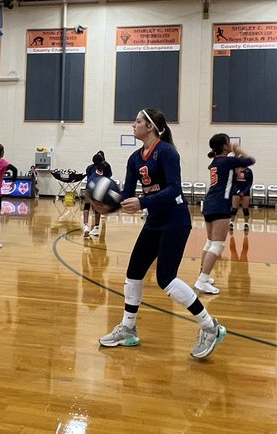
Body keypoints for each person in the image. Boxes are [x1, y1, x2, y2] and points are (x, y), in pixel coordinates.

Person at [96, 108, 227, 360]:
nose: (133, 125)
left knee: (166, 279)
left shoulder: (167, 153)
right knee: (133, 273)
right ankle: (128, 329)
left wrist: (143, 204)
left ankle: (211, 327)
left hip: (175, 221)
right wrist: (107, 204)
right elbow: (127, 195)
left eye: (137, 121)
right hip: (155, 221)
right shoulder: (135, 158)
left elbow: (174, 190)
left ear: (151, 127)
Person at [195, 134, 254, 295]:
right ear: (224, 145)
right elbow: (250, 160)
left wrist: (233, 153)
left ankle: (203, 276)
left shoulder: (215, 162)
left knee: (209, 242)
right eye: (228, 142)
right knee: (218, 244)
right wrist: (237, 149)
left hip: (209, 203)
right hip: (220, 204)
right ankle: (201, 281)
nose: (231, 144)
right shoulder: (227, 161)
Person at [82, 150, 113, 238]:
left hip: (90, 186)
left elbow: (89, 178)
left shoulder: (89, 167)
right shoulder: (106, 167)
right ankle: (96, 227)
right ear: (103, 159)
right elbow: (108, 177)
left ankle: (86, 226)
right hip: (99, 188)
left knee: (86, 206)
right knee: (97, 207)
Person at [229, 161, 254, 232]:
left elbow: (250, 183)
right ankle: (231, 223)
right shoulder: (235, 170)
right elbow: (233, 182)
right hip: (236, 191)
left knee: (245, 209)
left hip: (245, 192)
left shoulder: (248, 171)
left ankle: (246, 224)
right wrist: (238, 192)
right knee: (234, 208)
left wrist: (244, 192)